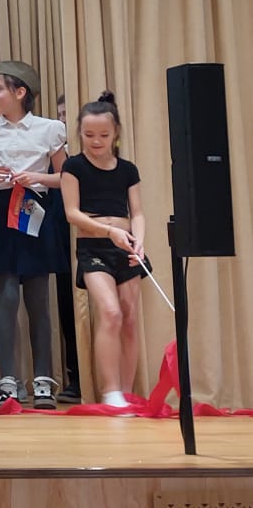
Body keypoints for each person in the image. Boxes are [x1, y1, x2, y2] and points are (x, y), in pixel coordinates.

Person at [0, 61, 68, 409]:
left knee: (38, 301)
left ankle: (42, 381)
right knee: (6, 298)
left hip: (34, 210)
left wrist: (37, 178)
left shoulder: (50, 129)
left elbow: (65, 177)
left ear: (20, 92)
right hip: (0, 213)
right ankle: (8, 381)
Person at [60, 92, 148, 411]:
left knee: (129, 317)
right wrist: (108, 231)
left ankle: (126, 392)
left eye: (103, 135)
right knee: (110, 312)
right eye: (88, 135)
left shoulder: (128, 169)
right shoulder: (73, 166)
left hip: (126, 246)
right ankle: (110, 391)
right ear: (79, 133)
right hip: (93, 246)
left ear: (116, 134)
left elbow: (137, 213)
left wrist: (139, 242)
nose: (96, 141)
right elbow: (72, 213)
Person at [52, 93, 81, 403]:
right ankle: (76, 376)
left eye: (68, 113)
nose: (64, 120)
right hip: (63, 234)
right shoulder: (55, 153)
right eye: (60, 114)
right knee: (68, 303)